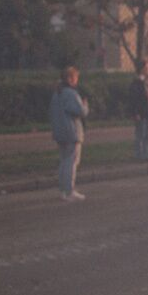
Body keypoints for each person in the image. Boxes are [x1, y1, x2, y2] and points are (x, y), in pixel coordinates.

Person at [50, 66, 89, 202]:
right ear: (70, 78)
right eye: (75, 77)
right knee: (71, 162)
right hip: (71, 132)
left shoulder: (57, 93)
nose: (77, 80)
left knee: (64, 161)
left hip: (60, 132)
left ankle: (63, 190)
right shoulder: (71, 94)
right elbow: (80, 111)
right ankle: (69, 190)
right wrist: (85, 105)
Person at [128, 60, 148, 161]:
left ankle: (146, 155)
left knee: (147, 135)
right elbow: (134, 99)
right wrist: (135, 113)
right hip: (141, 112)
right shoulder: (136, 83)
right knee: (140, 134)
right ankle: (139, 155)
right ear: (141, 69)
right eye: (146, 67)